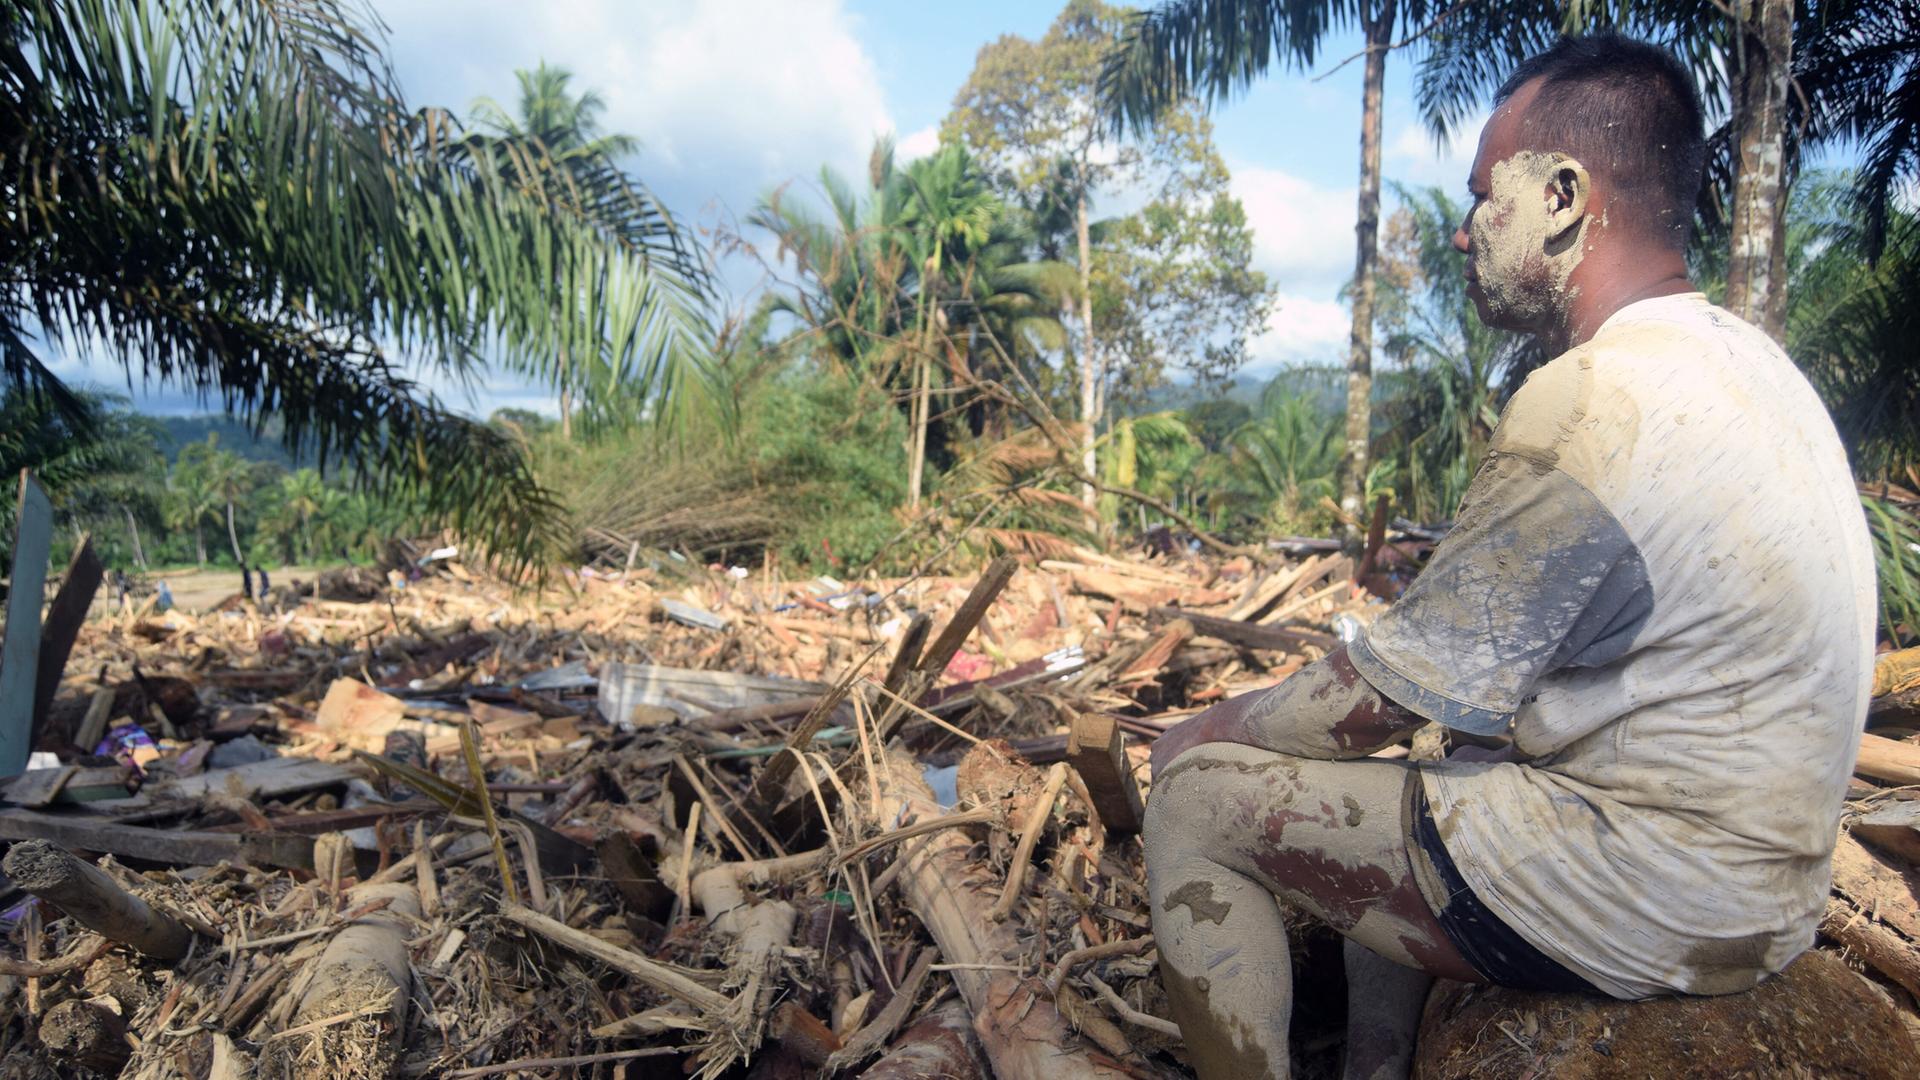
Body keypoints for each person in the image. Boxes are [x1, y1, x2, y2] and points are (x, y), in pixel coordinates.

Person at [1143, 34, 1876, 1080]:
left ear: (1564, 196)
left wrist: (1203, 733)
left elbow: (1382, 699)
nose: (1462, 229)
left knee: (1201, 806)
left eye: (1488, 194)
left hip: (1658, 893)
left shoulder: (1593, 401)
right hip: (1767, 894)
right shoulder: (1752, 369)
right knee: (1427, 781)